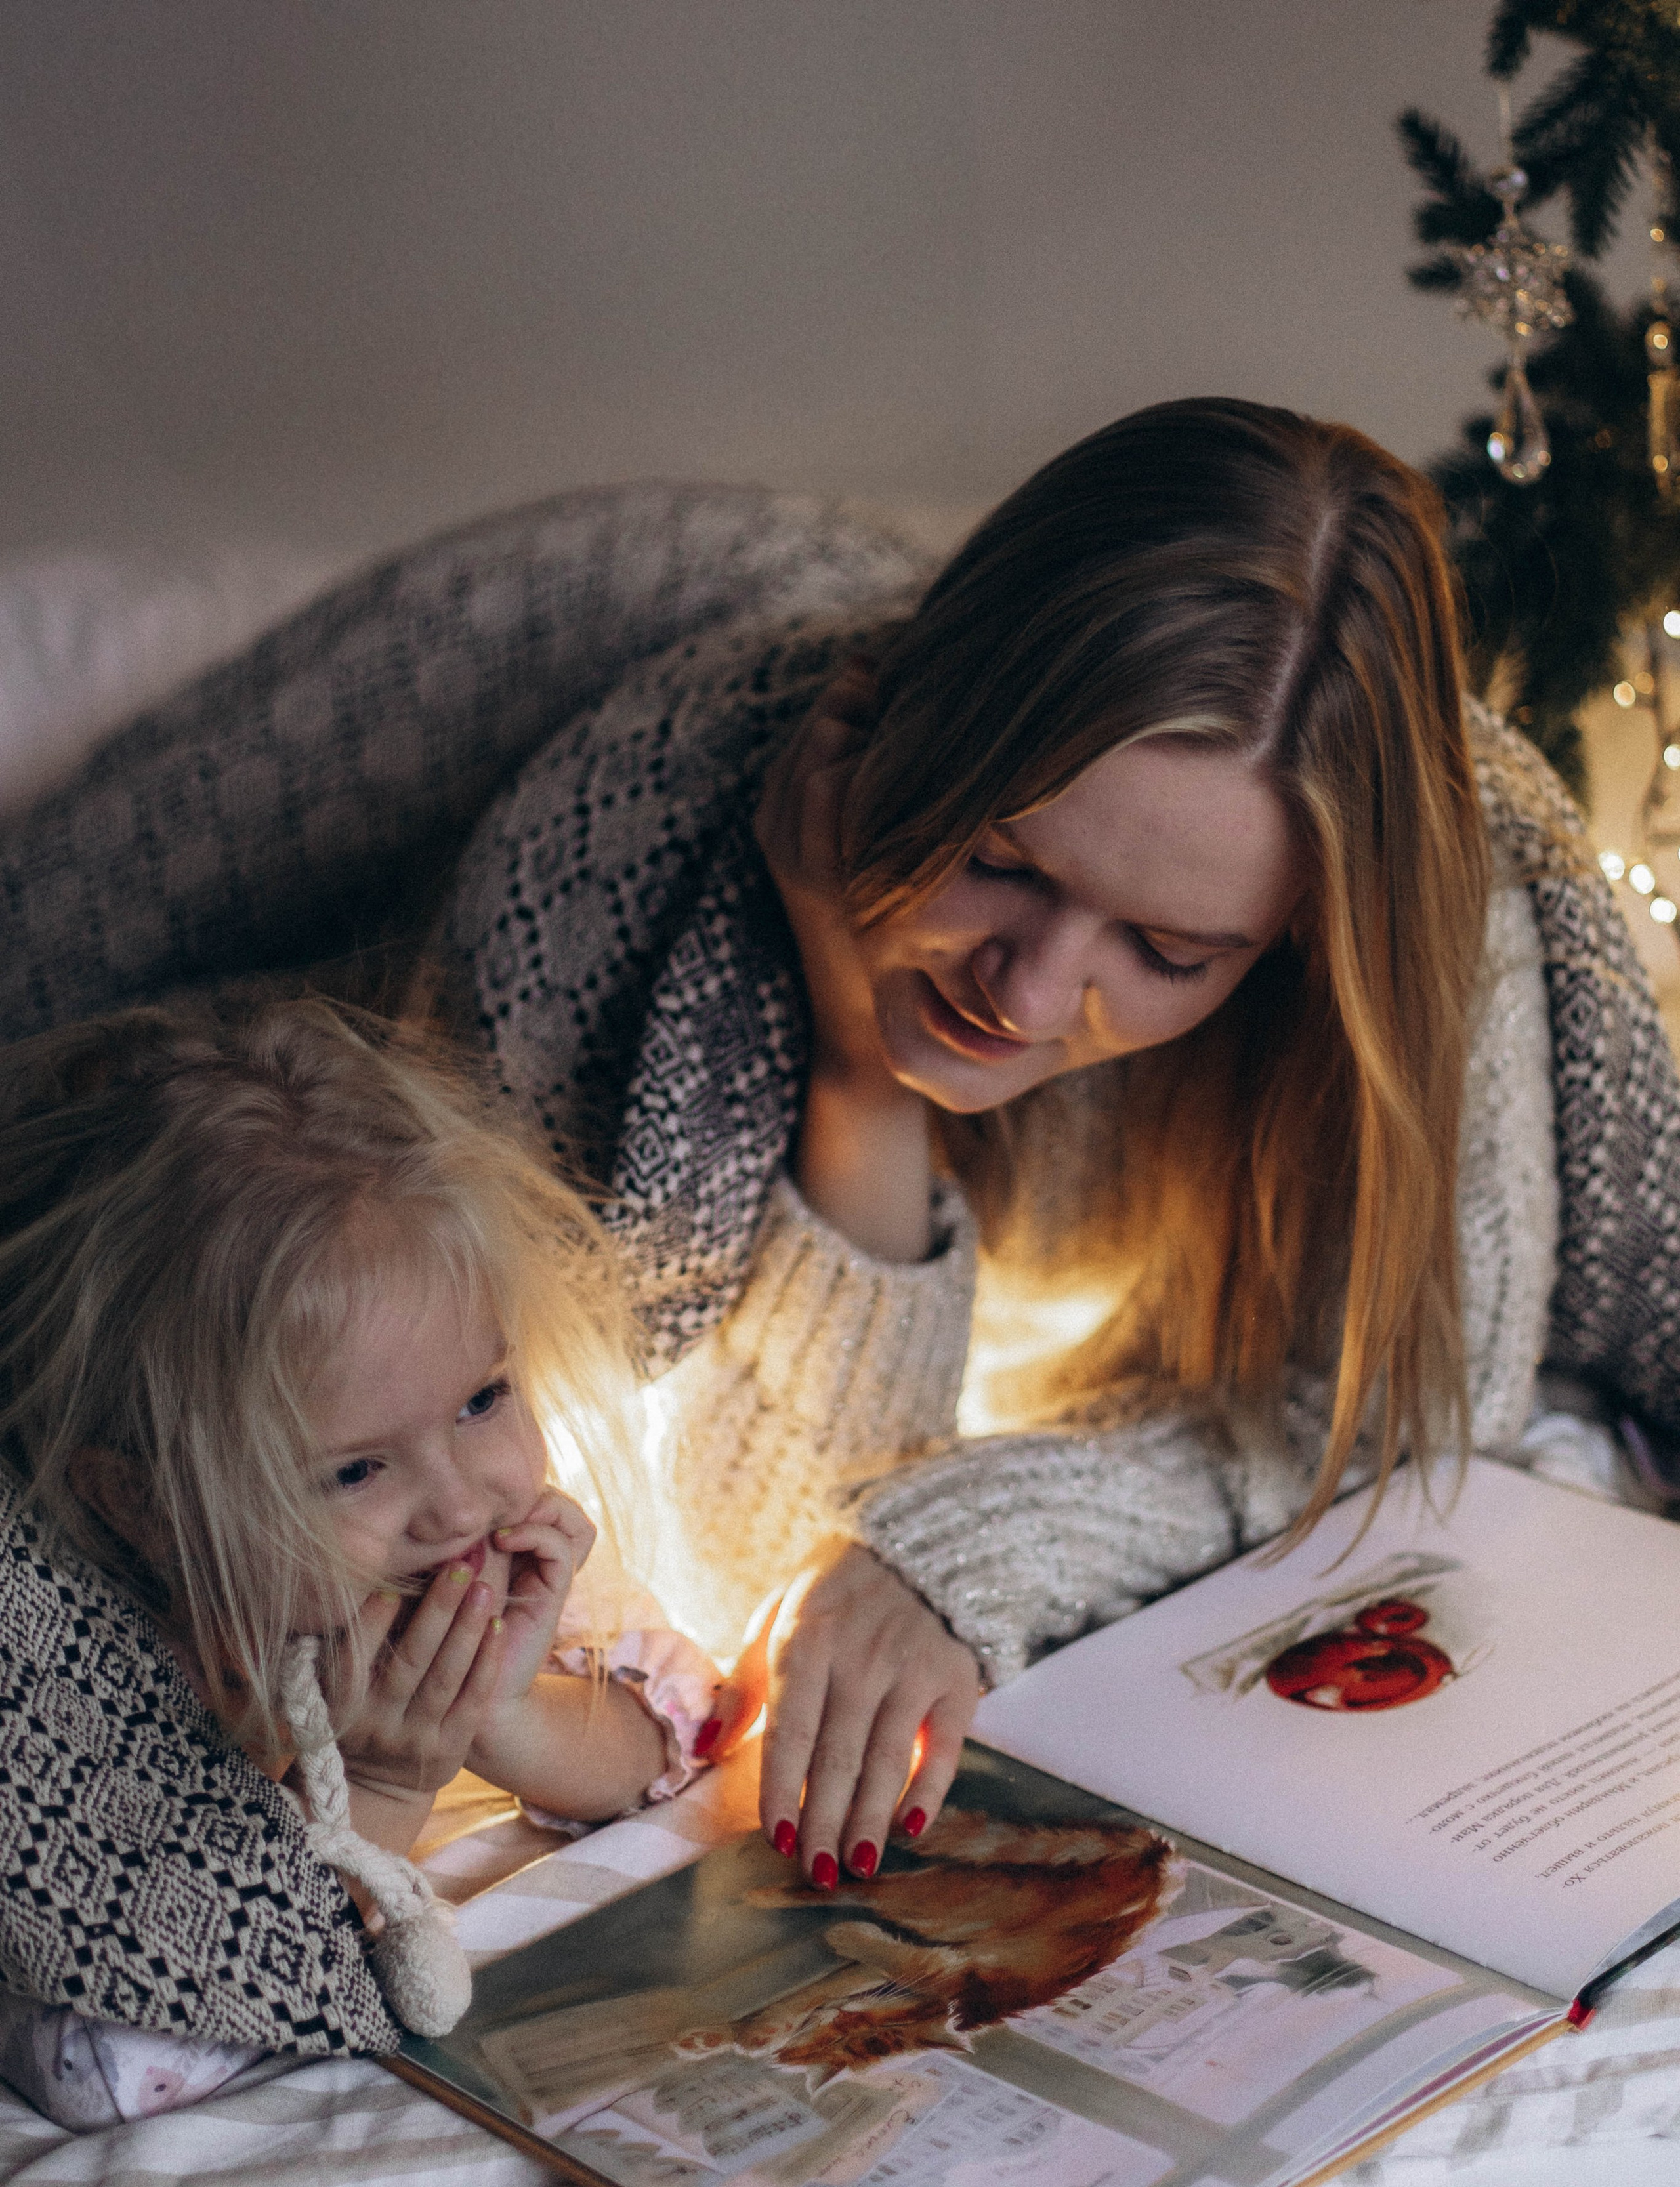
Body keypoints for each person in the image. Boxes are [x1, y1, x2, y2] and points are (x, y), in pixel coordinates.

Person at [7, 406, 1678, 1905]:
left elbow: (1391, 1411)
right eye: (998, 855)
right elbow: (718, 1542)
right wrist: (857, 1060)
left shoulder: (1458, 925)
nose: (1024, 993)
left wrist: (966, 1544)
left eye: (1169, 953)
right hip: (535, 687)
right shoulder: (664, 815)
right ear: (913, 739)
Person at [0, 997, 746, 2128]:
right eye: (353, 1472)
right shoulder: (78, 1673)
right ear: (145, 1504)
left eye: (484, 1398)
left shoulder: (466, 1554)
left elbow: (683, 1724)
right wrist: (387, 1794)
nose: (457, 1503)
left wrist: (508, 1717)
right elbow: (104, 2062)